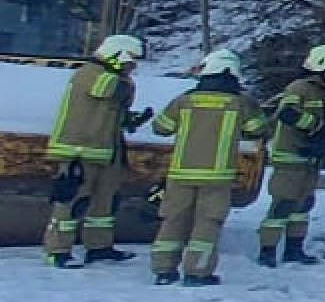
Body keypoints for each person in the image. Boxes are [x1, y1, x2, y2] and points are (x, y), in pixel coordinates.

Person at [148, 48, 268, 287]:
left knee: (173, 220)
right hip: (217, 177)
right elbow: (258, 130)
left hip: (181, 174)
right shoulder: (241, 103)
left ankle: (164, 270)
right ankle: (197, 272)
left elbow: (160, 127)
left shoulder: (185, 100)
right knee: (207, 224)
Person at [42, 33, 150, 268]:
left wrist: (130, 119)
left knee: (104, 203)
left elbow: (110, 110)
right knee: (70, 202)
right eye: (130, 60)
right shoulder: (90, 73)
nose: (133, 67)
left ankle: (99, 247)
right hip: (79, 151)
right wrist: (126, 81)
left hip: (105, 151)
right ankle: (58, 250)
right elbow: (111, 90)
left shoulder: (113, 77)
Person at [257, 43, 325, 268]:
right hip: (290, 158)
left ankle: (294, 250)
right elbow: (287, 113)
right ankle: (267, 251)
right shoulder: (300, 87)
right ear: (320, 66)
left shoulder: (322, 92)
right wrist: (315, 125)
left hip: (309, 159)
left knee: (303, 206)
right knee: (283, 205)